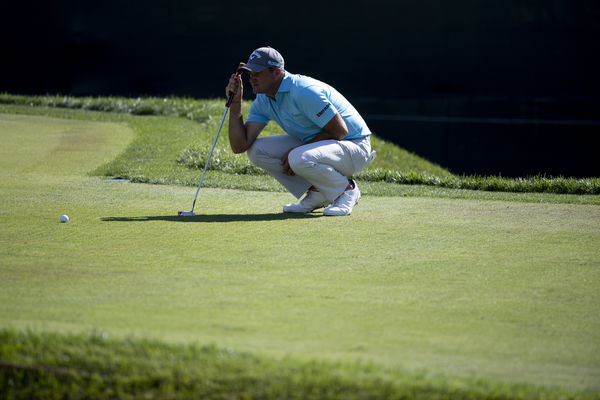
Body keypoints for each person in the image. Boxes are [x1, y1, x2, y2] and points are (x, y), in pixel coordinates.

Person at [225, 46, 375, 216]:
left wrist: (295, 151)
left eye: (257, 74)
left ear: (276, 72)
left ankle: (347, 190)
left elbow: (339, 131)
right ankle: (319, 191)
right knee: (257, 151)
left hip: (354, 146)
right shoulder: (264, 99)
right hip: (322, 145)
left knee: (297, 157)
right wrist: (236, 103)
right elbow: (240, 145)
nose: (252, 79)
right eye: (250, 74)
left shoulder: (303, 90)